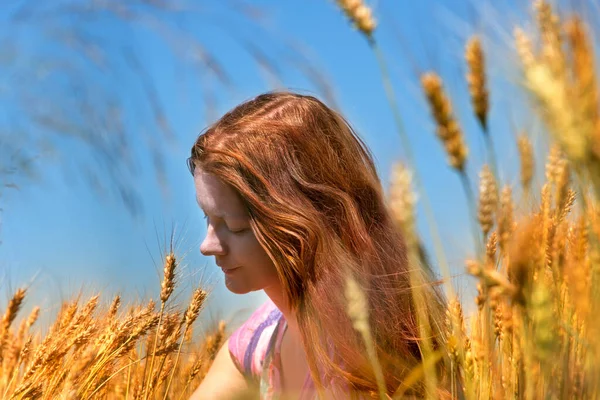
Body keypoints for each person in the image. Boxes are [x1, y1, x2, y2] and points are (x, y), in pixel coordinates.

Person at [187, 91, 449, 399]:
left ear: (303, 221)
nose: (207, 245)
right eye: (207, 217)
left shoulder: (370, 364)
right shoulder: (262, 336)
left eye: (234, 226)